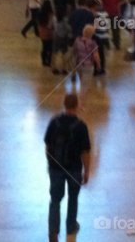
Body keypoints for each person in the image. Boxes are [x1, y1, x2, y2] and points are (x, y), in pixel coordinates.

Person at [44, 92, 91, 242]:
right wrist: (87, 171)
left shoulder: (54, 122)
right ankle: (70, 226)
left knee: (55, 199)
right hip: (74, 168)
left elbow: (47, 144)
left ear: (64, 105)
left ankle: (53, 230)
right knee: (73, 197)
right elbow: (86, 152)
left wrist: (50, 163)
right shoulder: (81, 126)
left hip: (56, 167)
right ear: (77, 105)